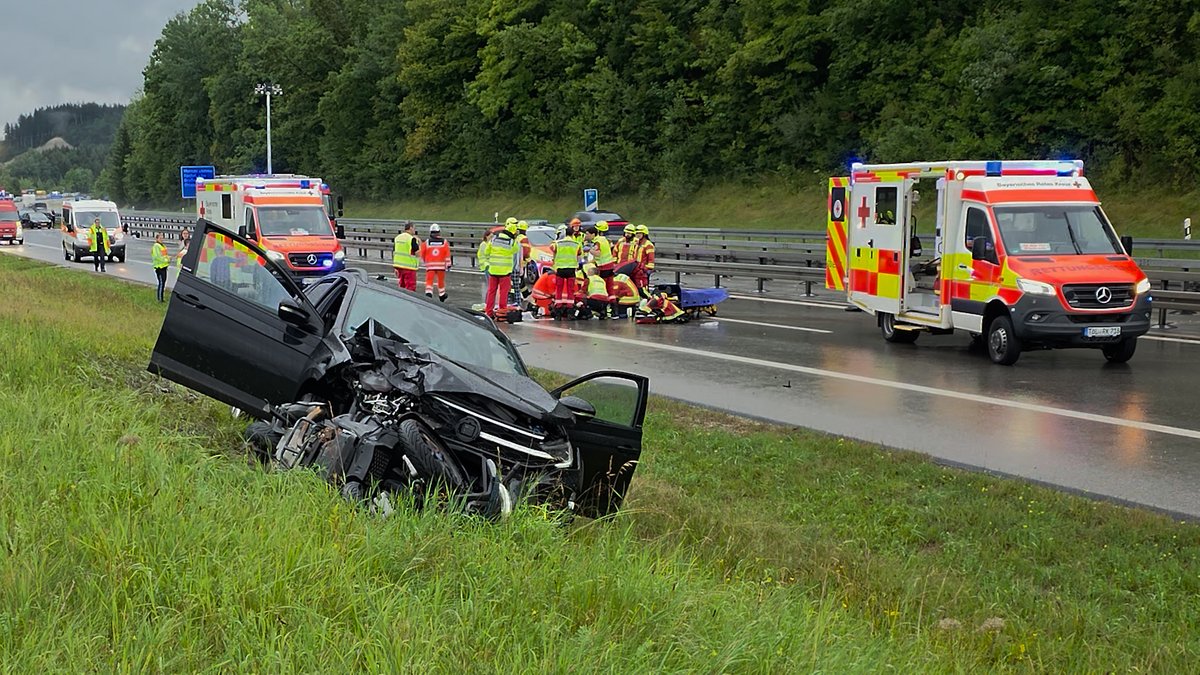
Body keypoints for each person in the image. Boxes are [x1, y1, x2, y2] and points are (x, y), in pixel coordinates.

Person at [484, 220, 519, 318]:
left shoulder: (494, 238)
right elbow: (515, 250)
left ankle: (489, 312)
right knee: (504, 292)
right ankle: (501, 312)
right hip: (505, 271)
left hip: (493, 270)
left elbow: (486, 252)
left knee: (491, 291)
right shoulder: (512, 242)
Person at [548, 224, 582, 318]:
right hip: (571, 269)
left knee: (559, 290)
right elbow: (579, 255)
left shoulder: (558, 243)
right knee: (570, 290)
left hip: (560, 269)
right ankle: (570, 311)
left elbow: (551, 248)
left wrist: (556, 240)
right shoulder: (576, 244)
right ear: (573, 234)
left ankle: (558, 311)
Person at [584, 224, 617, 314]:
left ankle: (604, 310)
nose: (586, 236)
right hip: (610, 266)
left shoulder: (597, 242)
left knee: (603, 289)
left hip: (603, 268)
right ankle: (614, 311)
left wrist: (588, 250)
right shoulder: (603, 239)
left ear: (593, 234)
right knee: (610, 289)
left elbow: (598, 253)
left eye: (587, 234)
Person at [421, 223, 451, 301]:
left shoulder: (427, 242)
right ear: (439, 232)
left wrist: (425, 261)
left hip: (430, 266)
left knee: (429, 280)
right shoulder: (444, 242)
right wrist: (448, 264)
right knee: (441, 281)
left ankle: (428, 293)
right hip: (441, 266)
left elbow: (422, 253)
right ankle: (442, 295)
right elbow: (447, 254)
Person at [392, 221, 420, 292]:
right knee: (410, 288)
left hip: (399, 266)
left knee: (401, 287)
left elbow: (395, 252)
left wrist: (395, 268)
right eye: (414, 228)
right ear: (410, 228)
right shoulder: (411, 239)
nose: (415, 230)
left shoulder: (397, 238)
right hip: (409, 267)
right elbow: (418, 253)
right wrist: (420, 244)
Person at [151, 233, 170, 302]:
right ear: (157, 239)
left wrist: (168, 258)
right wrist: (166, 260)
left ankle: (161, 297)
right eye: (160, 238)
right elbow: (157, 256)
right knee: (161, 283)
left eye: (162, 238)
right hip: (159, 267)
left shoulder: (162, 246)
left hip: (164, 266)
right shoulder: (156, 246)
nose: (162, 239)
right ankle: (160, 299)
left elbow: (164, 255)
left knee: (163, 282)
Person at [477, 230, 493, 303]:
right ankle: (489, 300)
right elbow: (485, 255)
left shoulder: (489, 244)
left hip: (490, 266)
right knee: (490, 284)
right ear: (487, 236)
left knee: (491, 284)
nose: (492, 237)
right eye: (491, 236)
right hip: (487, 265)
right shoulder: (484, 244)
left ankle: (489, 300)